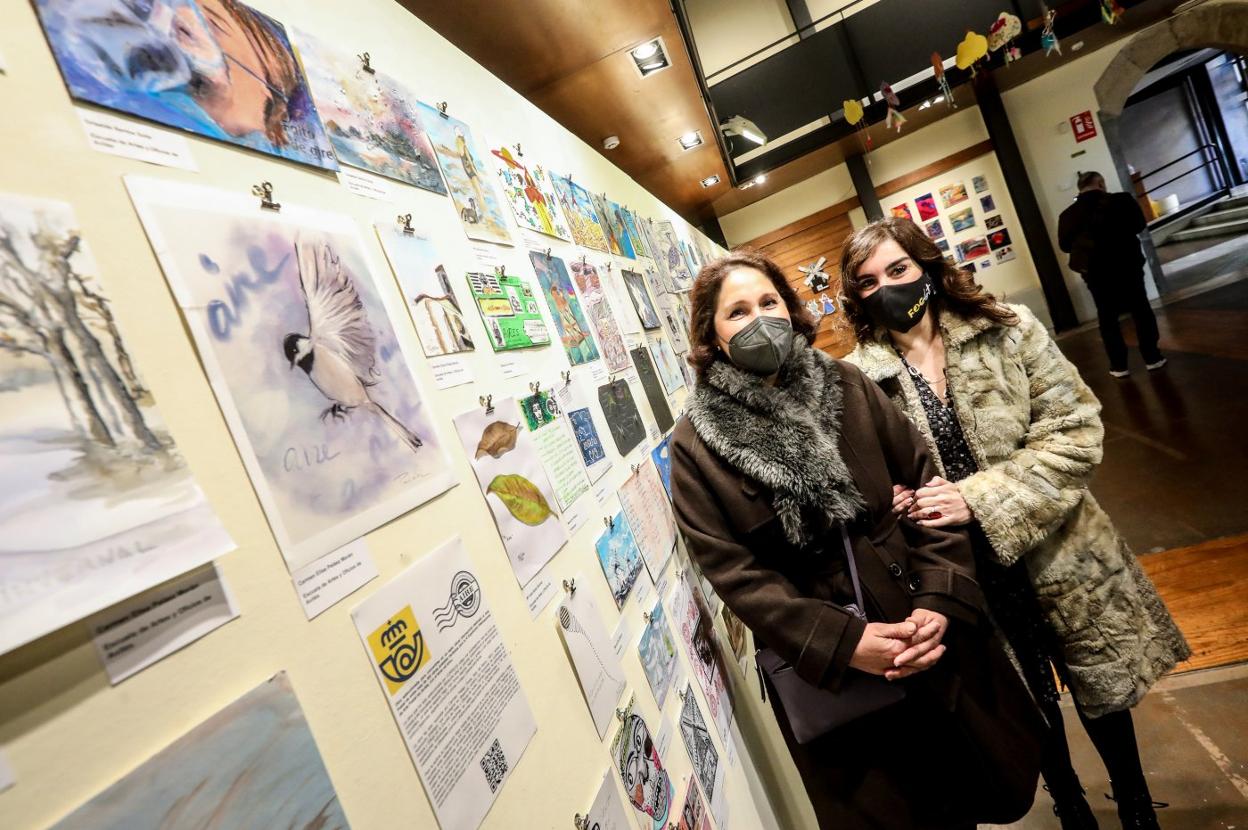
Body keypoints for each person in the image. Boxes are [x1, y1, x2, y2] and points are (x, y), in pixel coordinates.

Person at [669, 249, 1045, 829]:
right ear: (711, 336)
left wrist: (939, 602)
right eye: (737, 312)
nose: (759, 320)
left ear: (790, 309)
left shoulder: (845, 382)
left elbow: (926, 485)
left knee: (972, 789)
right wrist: (846, 643)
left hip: (925, 631)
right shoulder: (696, 445)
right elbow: (735, 575)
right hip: (838, 679)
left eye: (769, 302)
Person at [840, 218, 1190, 830]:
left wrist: (978, 498)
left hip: (1058, 547)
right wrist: (887, 503)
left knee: (1101, 684)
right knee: (1025, 699)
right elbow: (861, 490)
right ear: (856, 297)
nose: (887, 288)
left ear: (926, 267)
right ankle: (1070, 805)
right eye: (869, 282)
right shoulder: (856, 384)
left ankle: (1136, 805)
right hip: (963, 573)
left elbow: (1074, 431)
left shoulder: (1007, 328)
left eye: (898, 269)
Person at [1058, 171, 1165, 377]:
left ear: (1080, 188)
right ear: (1100, 183)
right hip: (1128, 265)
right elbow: (1139, 225)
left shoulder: (1068, 215)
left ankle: (1119, 366)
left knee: (1107, 317)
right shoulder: (1122, 200)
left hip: (1096, 273)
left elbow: (1064, 246)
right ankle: (1152, 358)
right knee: (1141, 310)